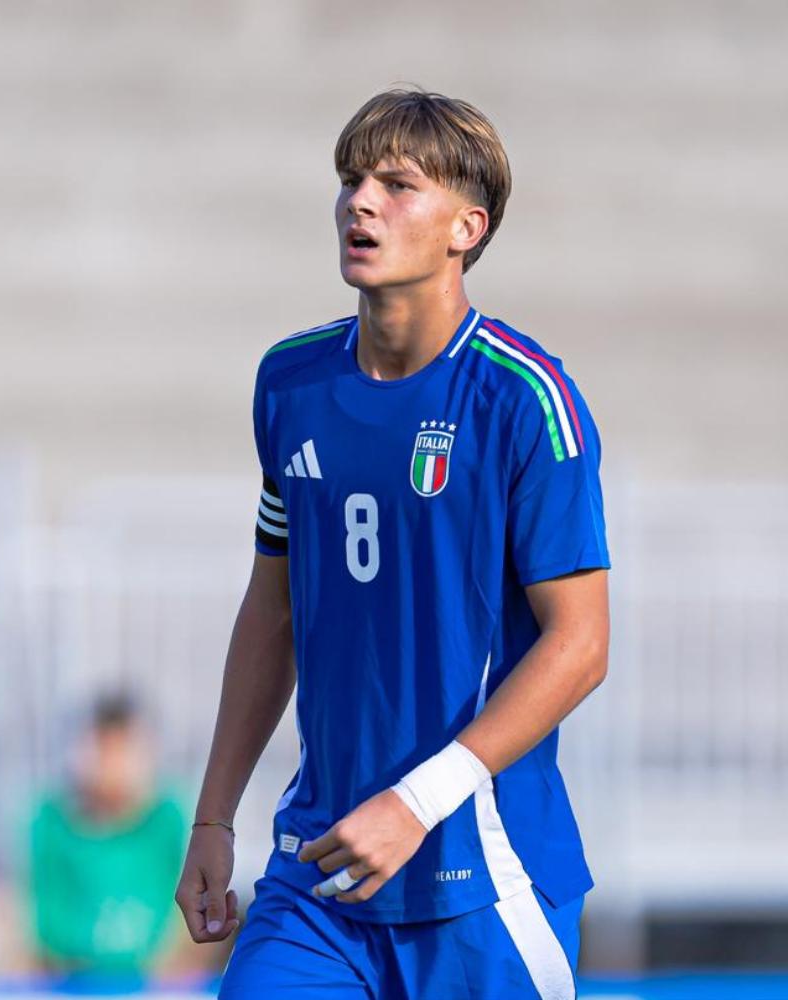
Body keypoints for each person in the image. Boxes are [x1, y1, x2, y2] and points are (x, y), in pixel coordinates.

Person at [175, 87, 611, 1000]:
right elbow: (274, 604)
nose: (359, 202)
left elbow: (579, 646)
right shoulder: (290, 381)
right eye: (351, 179)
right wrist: (212, 817)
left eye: (397, 184)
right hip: (319, 876)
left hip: (483, 880)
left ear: (467, 227)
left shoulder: (524, 399)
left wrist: (417, 803)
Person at [24, 691, 193, 987]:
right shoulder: (51, 822)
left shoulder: (167, 820)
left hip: (154, 984)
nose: (112, 765)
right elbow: (36, 924)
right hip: (70, 983)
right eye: (103, 750)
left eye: (123, 750)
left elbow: (190, 924)